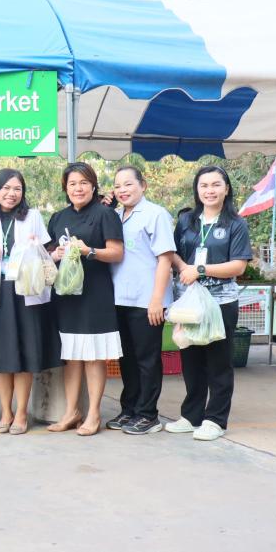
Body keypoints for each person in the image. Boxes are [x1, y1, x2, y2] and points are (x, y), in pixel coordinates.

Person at [0, 168, 60, 435]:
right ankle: (5, 412)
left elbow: (47, 252)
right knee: (2, 356)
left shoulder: (32, 216)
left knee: (25, 354)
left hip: (26, 292)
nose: (11, 194)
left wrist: (37, 246)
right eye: (6, 188)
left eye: (17, 189)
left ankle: (21, 413)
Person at [166, 165, 251, 441]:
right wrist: (184, 268)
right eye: (204, 185)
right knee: (191, 360)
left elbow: (238, 266)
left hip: (220, 302)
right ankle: (191, 416)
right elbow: (172, 253)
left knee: (218, 362)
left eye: (216, 185)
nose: (209, 190)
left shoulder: (235, 224)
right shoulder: (187, 221)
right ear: (197, 189)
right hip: (189, 302)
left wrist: (200, 270)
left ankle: (216, 420)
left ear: (226, 189)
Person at [45, 162, 124, 436]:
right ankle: (71, 412)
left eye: (83, 183)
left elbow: (116, 253)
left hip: (95, 294)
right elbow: (49, 252)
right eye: (72, 184)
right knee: (71, 356)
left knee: (93, 356)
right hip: (66, 296)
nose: (78, 188)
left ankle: (93, 414)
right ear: (65, 188)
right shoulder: (58, 217)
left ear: (93, 186)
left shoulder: (105, 214)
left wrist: (88, 250)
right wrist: (55, 254)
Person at [107, 166, 176, 435]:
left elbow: (165, 258)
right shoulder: (114, 216)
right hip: (120, 298)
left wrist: (156, 299)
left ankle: (148, 415)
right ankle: (130, 409)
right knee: (127, 359)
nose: (122, 190)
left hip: (147, 300)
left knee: (147, 360)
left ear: (143, 185)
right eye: (117, 186)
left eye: (128, 184)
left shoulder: (155, 214)